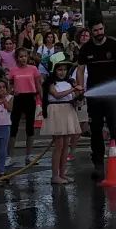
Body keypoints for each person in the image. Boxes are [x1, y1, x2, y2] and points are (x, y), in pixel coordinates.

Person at [76, 19, 116, 179]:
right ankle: (98, 165)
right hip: (94, 95)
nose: (99, 33)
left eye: (100, 29)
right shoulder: (86, 48)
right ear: (91, 32)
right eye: (96, 30)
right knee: (96, 131)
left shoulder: (113, 46)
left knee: (115, 130)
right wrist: (80, 88)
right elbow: (80, 69)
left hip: (112, 95)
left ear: (104, 28)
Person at [42, 56, 80, 185]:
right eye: (59, 69)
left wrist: (78, 94)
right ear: (54, 69)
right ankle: (55, 175)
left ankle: (63, 173)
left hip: (68, 110)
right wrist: (73, 89)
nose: (62, 72)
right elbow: (56, 95)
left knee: (66, 145)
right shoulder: (50, 82)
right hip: (56, 111)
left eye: (64, 69)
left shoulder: (70, 82)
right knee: (58, 145)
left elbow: (73, 97)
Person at [9, 47, 42, 164]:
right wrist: (12, 91)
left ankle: (29, 155)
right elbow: (9, 84)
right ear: (17, 58)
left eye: (25, 56)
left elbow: (38, 85)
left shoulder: (33, 69)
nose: (23, 59)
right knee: (14, 127)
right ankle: (10, 156)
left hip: (30, 97)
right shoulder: (13, 70)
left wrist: (42, 100)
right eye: (20, 56)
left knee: (30, 128)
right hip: (18, 98)